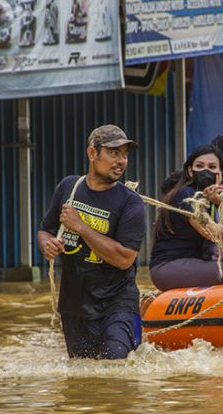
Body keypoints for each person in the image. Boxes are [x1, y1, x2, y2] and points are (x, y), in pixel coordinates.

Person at [38, 125, 146, 360]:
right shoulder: (69, 187)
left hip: (117, 302)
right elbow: (45, 230)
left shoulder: (132, 203)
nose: (121, 161)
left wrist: (81, 227)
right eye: (113, 153)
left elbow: (124, 259)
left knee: (115, 366)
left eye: (125, 154)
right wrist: (47, 245)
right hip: (74, 303)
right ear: (92, 153)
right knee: (82, 376)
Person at [149, 145, 223, 291]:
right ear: (190, 171)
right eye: (199, 166)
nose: (205, 171)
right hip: (169, 265)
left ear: (220, 173)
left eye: (212, 166)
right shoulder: (187, 195)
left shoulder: (216, 200)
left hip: (193, 263)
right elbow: (212, 233)